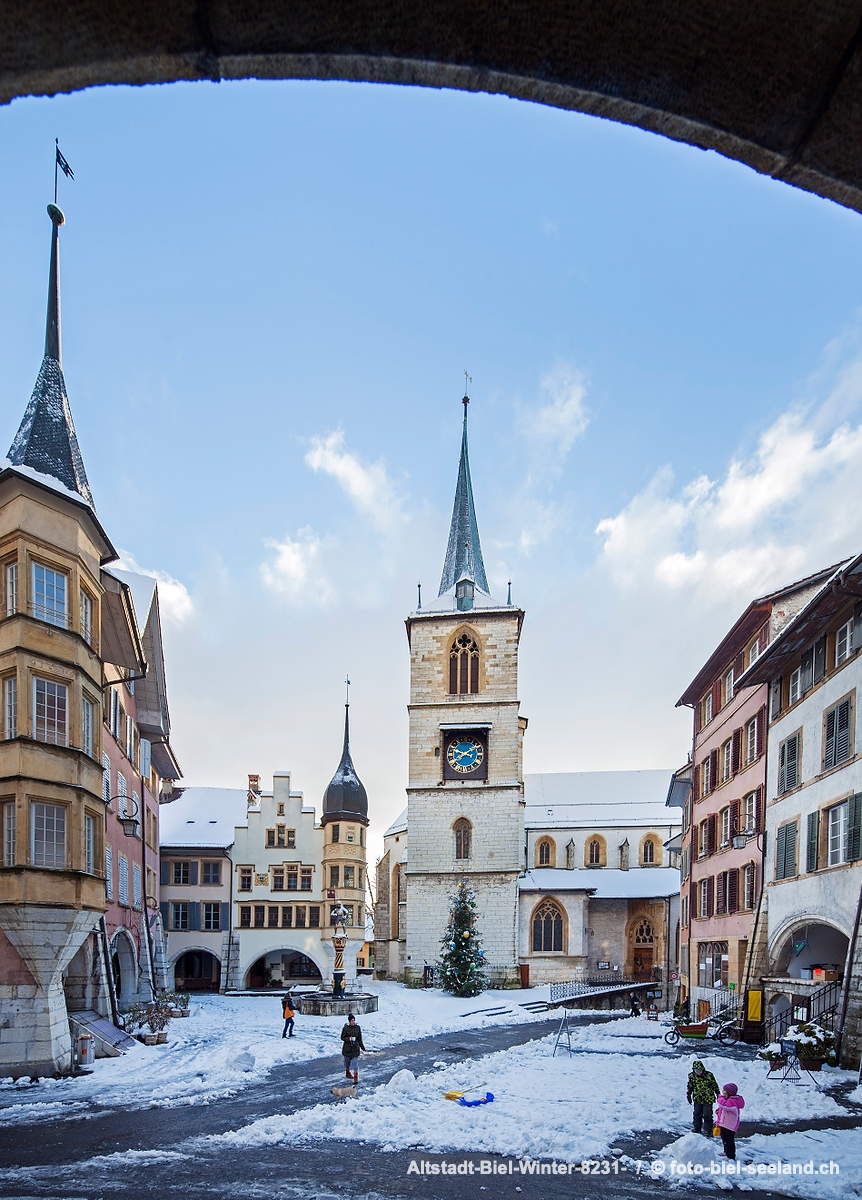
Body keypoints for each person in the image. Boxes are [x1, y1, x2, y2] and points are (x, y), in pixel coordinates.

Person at [686, 1059, 720, 1135]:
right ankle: (697, 1129)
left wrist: (718, 1093)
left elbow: (714, 1085)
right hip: (698, 1098)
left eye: (699, 1070)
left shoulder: (709, 1075)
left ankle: (708, 1131)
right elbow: (690, 1086)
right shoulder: (692, 1076)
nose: (698, 1072)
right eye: (696, 1071)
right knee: (697, 1114)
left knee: (707, 1115)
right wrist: (689, 1094)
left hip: (708, 1099)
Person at [715, 1082, 745, 1160]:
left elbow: (724, 1105)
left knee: (729, 1141)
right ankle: (726, 1152)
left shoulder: (732, 1101)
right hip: (724, 1123)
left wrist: (720, 1097)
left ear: (729, 1092)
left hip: (729, 1125)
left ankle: (731, 1156)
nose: (722, 1091)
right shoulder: (729, 1100)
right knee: (724, 1139)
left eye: (724, 1090)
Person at [340, 1013, 366, 1083]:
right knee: (347, 1063)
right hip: (347, 1049)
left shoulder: (357, 1028)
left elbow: (360, 1038)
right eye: (352, 1021)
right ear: (349, 1021)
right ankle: (347, 1072)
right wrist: (349, 1039)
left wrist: (362, 1047)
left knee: (355, 1064)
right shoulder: (345, 1028)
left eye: (354, 1020)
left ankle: (355, 1078)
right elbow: (342, 1037)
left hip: (355, 1049)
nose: (353, 1022)